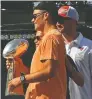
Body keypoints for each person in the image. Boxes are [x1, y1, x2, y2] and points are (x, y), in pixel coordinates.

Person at [7, 2, 67, 99]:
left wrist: (21, 79)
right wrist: (18, 65)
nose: (32, 20)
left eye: (35, 16)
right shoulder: (47, 38)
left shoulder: (51, 37)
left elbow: (49, 71)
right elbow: (39, 73)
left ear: (46, 15)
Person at [34, 30, 84, 99]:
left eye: (38, 38)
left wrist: (66, 62)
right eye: (35, 38)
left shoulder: (62, 57)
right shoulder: (34, 59)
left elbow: (80, 81)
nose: (35, 41)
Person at [57, 5, 92, 99]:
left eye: (62, 19)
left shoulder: (89, 46)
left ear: (74, 22)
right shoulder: (55, 46)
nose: (58, 23)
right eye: (57, 19)